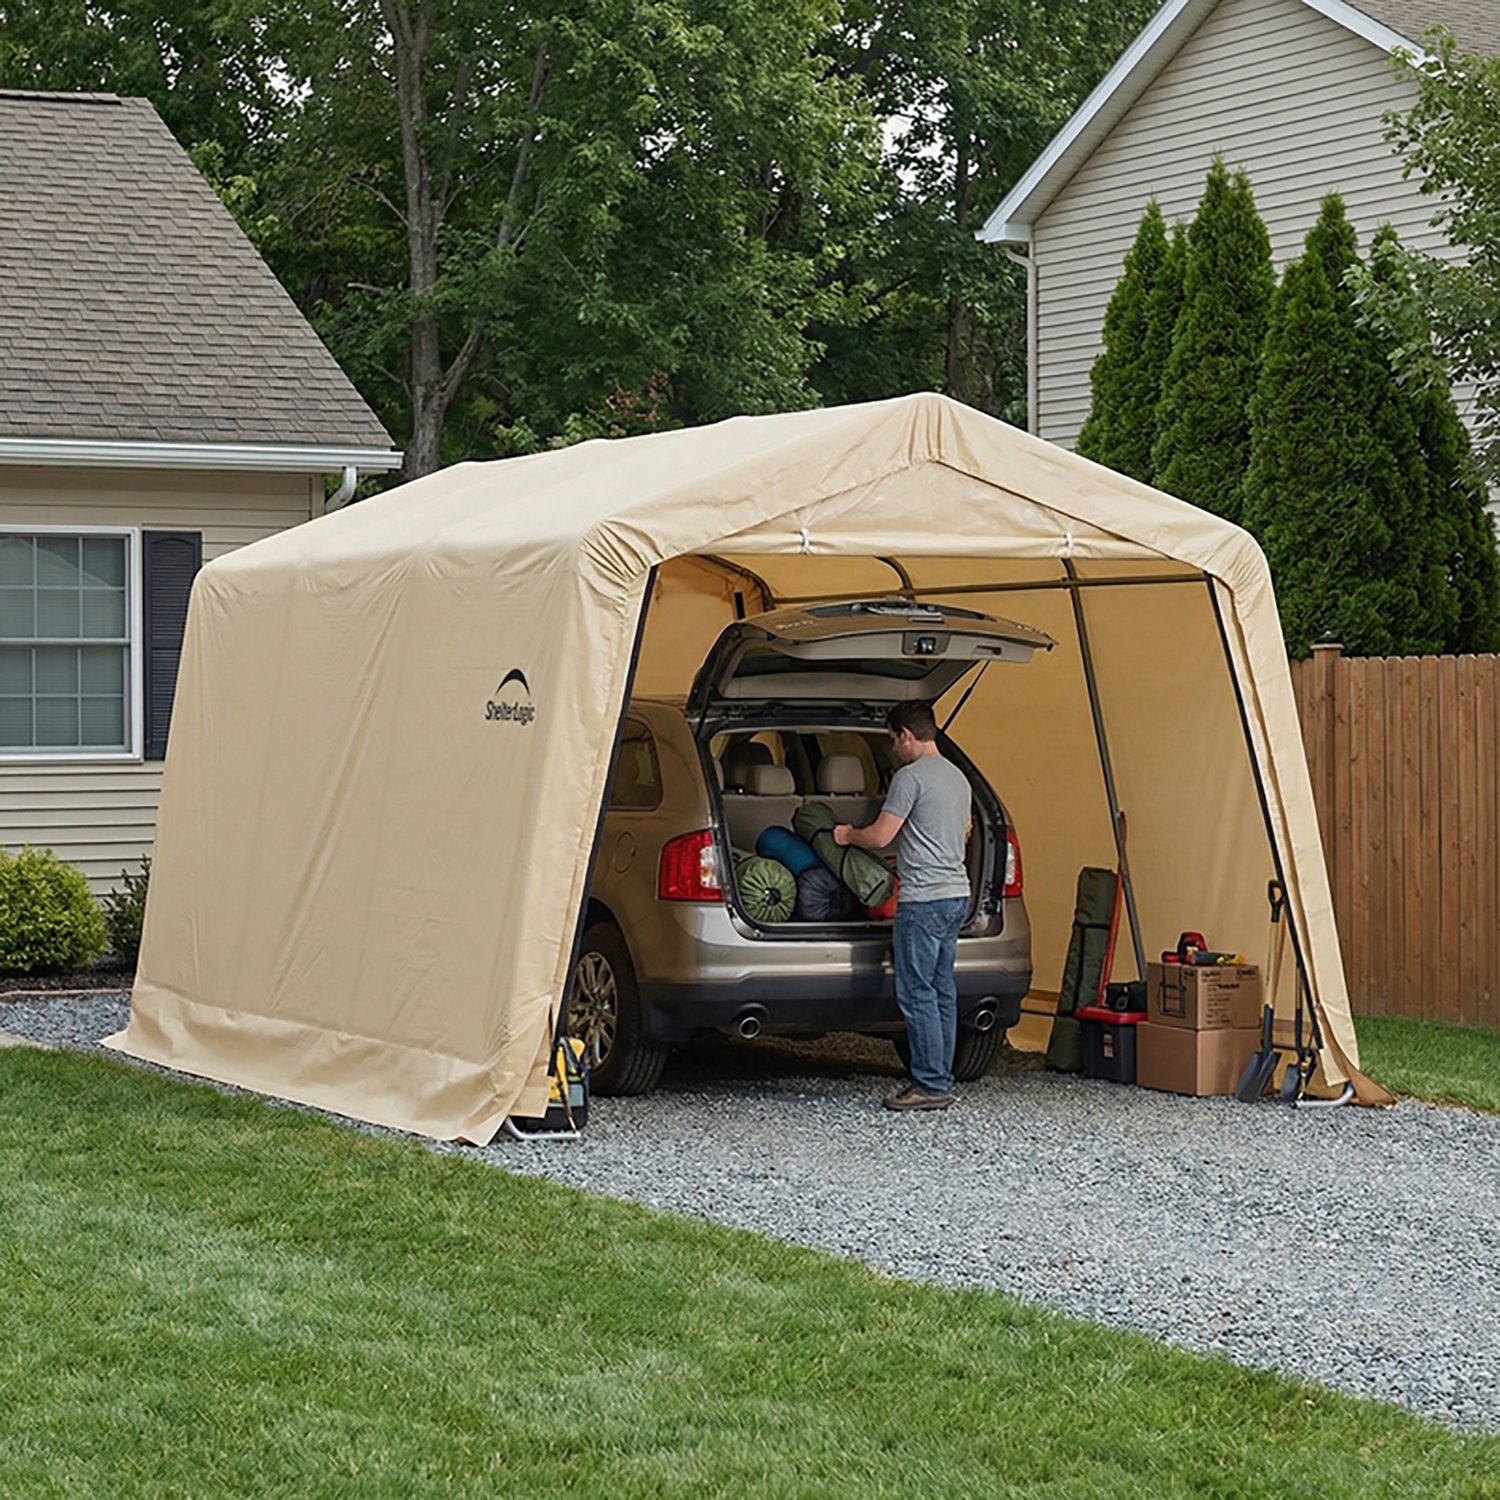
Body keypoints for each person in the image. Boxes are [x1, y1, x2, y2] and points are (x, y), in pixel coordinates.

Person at [834, 701, 971, 1111]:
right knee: (942, 988)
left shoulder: (909, 778)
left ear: (906, 735)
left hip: (924, 899)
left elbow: (880, 835)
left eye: (893, 740)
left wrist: (847, 836)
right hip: (956, 894)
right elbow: (958, 834)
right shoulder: (959, 777)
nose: (893, 749)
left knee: (917, 993)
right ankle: (940, 1078)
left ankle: (928, 1084)